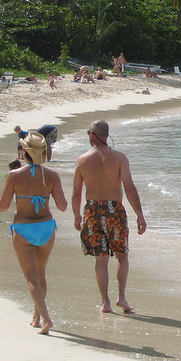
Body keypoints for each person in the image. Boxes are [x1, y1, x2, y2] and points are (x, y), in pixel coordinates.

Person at [72, 120, 147, 314]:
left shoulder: (82, 160)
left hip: (92, 210)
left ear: (92, 135)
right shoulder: (120, 158)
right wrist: (140, 215)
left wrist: (77, 216)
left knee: (101, 258)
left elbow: (76, 192)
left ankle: (105, 302)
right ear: (107, 135)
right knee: (122, 255)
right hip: (114, 210)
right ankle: (121, 298)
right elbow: (129, 188)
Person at [0, 132, 67, 334]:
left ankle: (46, 319)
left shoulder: (14, 175)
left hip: (23, 228)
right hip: (46, 227)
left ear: (25, 152)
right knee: (41, 274)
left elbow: (3, 207)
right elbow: (62, 206)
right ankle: (36, 317)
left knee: (31, 277)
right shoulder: (52, 175)